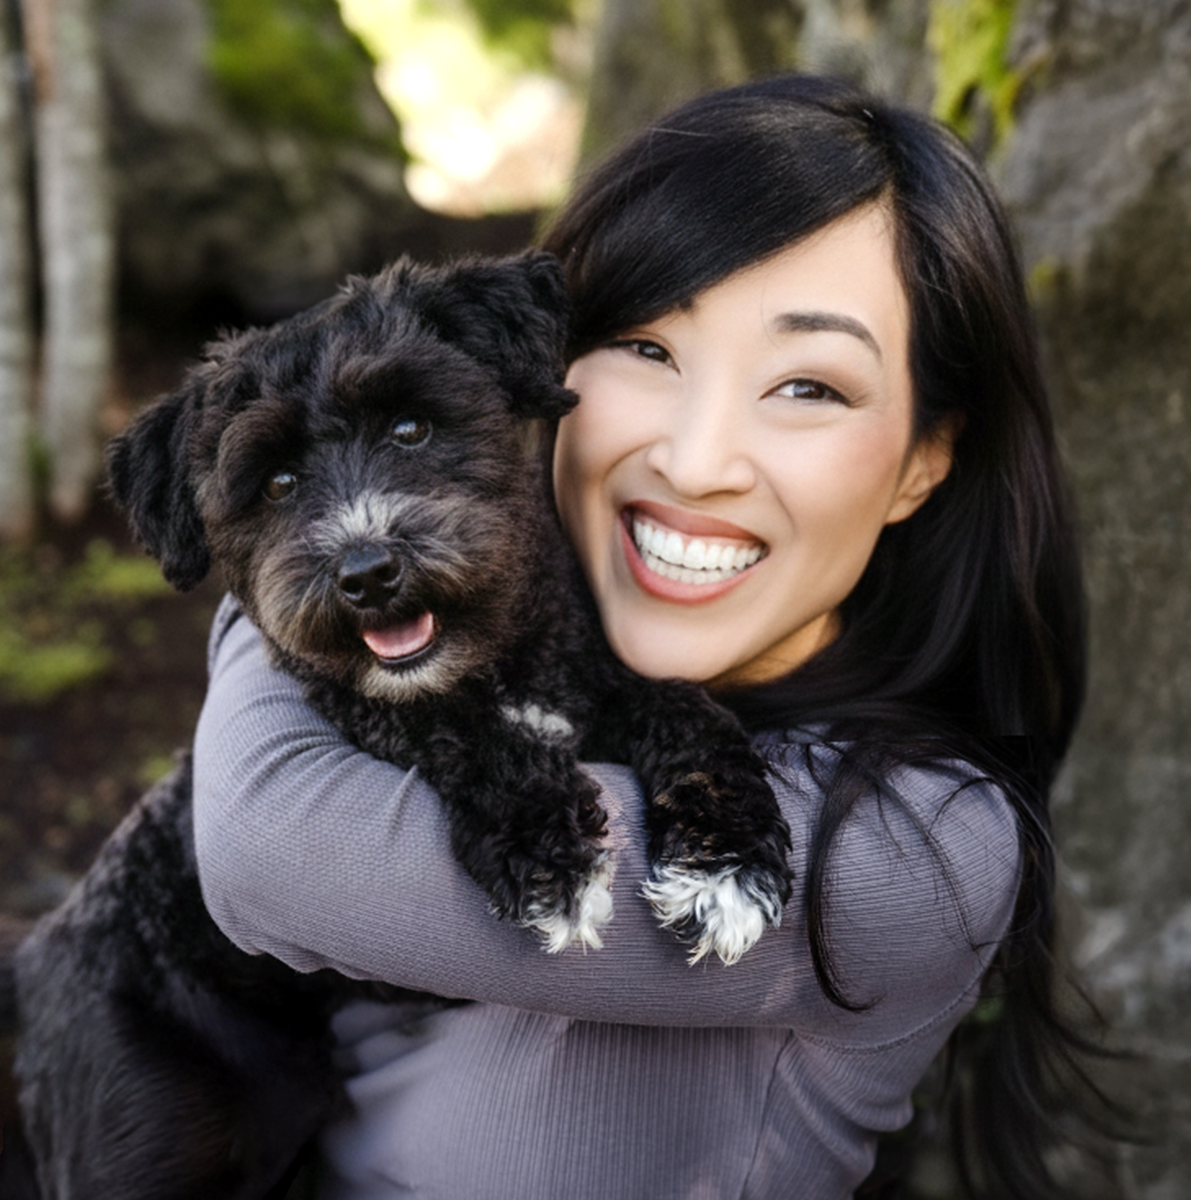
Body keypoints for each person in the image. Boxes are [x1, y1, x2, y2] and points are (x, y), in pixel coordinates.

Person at [192, 74, 1112, 1199]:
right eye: (646, 348)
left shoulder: (916, 853)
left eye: (809, 385)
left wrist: (287, 537)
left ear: (926, 458)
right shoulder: (517, 671)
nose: (696, 457)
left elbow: (261, 838)